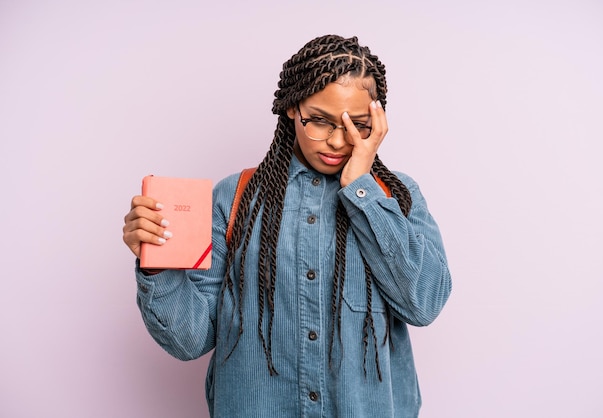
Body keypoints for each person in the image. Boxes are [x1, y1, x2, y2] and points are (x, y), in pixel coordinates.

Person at [122, 34, 452, 417]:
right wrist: (157, 263)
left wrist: (362, 189)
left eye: (356, 125)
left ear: (377, 121)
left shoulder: (398, 196)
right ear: (292, 108)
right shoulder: (233, 199)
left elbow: (424, 304)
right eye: (319, 121)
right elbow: (188, 340)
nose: (336, 141)